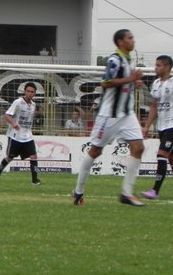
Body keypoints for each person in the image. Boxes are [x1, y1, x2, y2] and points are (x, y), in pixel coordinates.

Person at [72, 29, 145, 207]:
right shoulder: (114, 60)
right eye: (130, 38)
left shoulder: (128, 60)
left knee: (138, 147)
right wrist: (130, 79)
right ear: (120, 42)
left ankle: (126, 193)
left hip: (126, 114)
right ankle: (78, 190)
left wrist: (134, 83)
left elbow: (124, 85)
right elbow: (106, 83)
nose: (133, 40)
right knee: (95, 151)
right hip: (109, 116)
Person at [0, 82, 42, 186]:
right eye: (28, 91)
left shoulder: (33, 105)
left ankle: (35, 180)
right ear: (25, 91)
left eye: (32, 92)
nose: (29, 93)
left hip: (27, 135)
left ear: (35, 93)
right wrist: (14, 124)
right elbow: (7, 115)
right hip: (15, 136)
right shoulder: (18, 102)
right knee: (10, 158)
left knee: (34, 156)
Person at [140, 55, 173, 200]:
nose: (155, 68)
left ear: (167, 67)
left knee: (161, 154)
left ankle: (155, 191)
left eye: (158, 65)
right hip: (162, 126)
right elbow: (154, 106)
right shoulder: (156, 83)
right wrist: (147, 127)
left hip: (172, 125)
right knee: (171, 159)